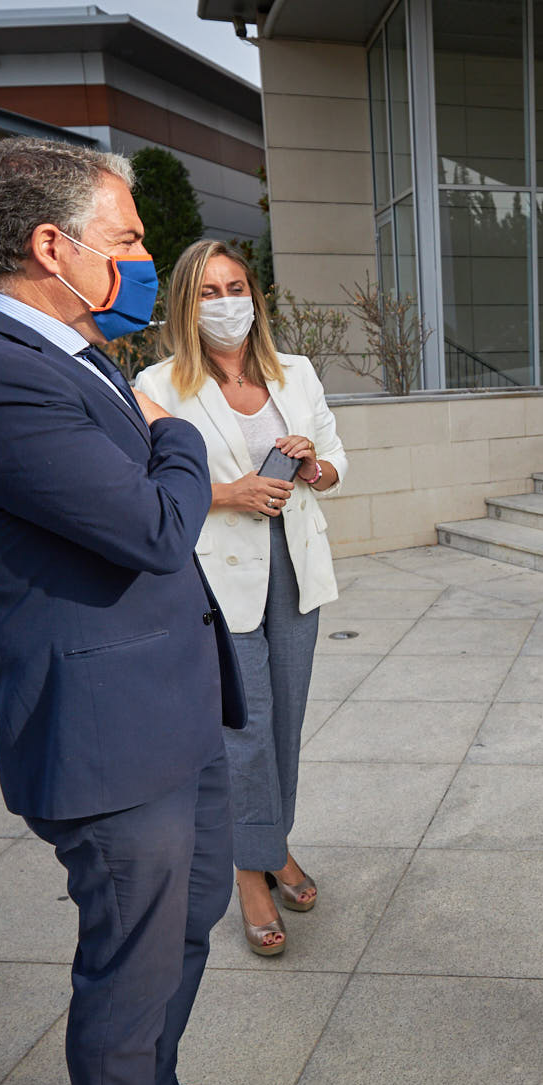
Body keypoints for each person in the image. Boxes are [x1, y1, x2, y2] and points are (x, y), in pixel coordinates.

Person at [0, 137, 264, 1085]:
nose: (145, 257)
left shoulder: (70, 350)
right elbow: (154, 526)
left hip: (166, 710)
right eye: (124, 238)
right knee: (131, 958)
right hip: (106, 738)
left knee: (191, 914)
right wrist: (177, 434)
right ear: (49, 246)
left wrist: (155, 436)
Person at [134, 241, 349, 957]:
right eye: (208, 291)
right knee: (243, 729)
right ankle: (250, 874)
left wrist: (313, 465)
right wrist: (228, 492)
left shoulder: (298, 373)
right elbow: (147, 491)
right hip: (215, 577)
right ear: (185, 306)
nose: (227, 302)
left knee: (284, 720)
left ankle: (274, 844)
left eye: (236, 287)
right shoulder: (159, 385)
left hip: (295, 565)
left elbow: (334, 459)